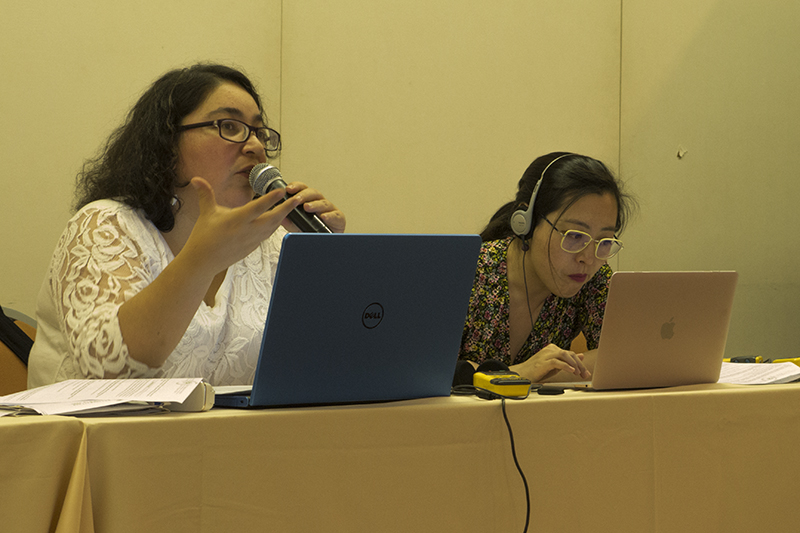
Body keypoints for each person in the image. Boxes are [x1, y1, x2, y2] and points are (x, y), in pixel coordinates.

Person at [27, 63, 346, 388]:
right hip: (86, 423)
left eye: (259, 132)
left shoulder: (274, 241)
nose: (255, 146)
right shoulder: (105, 225)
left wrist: (328, 263)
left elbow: (329, 366)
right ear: (166, 142)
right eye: (230, 126)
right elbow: (111, 369)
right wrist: (202, 259)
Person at [459, 152, 634, 383]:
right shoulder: (466, 272)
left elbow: (623, 357)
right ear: (527, 222)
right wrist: (521, 374)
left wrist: (544, 373)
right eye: (574, 236)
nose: (588, 258)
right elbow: (429, 370)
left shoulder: (594, 278)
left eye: (604, 241)